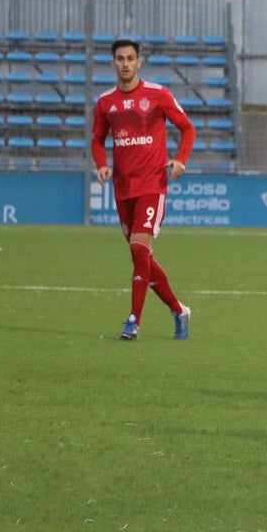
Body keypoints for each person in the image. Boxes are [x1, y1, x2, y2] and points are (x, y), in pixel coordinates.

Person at [91, 38, 195, 341]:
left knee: (139, 249)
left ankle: (134, 320)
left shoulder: (157, 94)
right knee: (142, 257)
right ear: (113, 63)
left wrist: (181, 160)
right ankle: (179, 310)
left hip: (152, 183)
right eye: (120, 59)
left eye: (130, 58)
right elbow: (97, 139)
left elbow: (187, 128)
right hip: (123, 188)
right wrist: (101, 164)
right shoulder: (106, 102)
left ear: (139, 62)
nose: (125, 64)